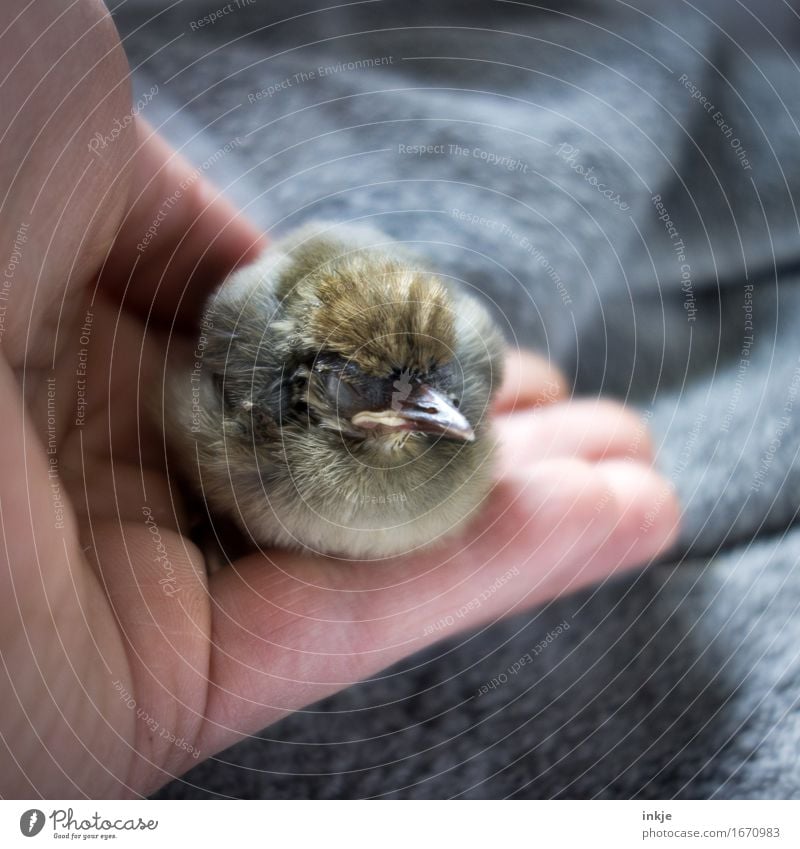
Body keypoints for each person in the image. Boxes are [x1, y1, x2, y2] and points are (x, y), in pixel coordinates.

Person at [0, 1, 679, 797]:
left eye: (429, 382)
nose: (437, 411)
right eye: (374, 387)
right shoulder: (249, 421)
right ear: (299, 392)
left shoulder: (458, 372)